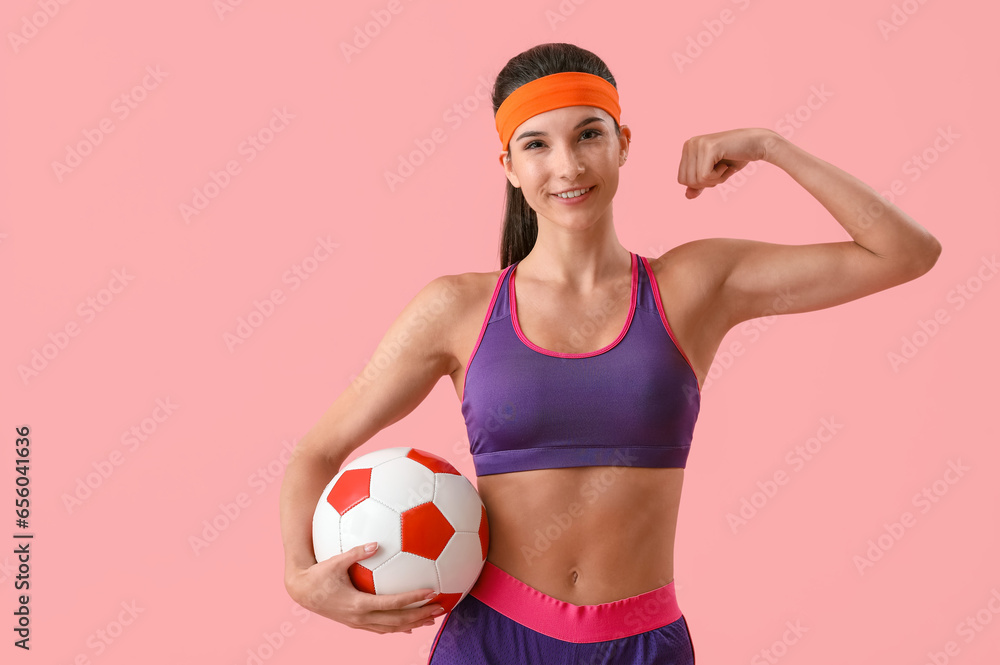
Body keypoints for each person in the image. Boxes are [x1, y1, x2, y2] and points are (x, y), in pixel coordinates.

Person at [280, 42, 941, 664]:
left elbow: (905, 252)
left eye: (589, 134)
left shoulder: (693, 286)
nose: (567, 166)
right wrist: (301, 579)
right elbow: (317, 450)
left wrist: (770, 145)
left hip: (642, 643)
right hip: (493, 640)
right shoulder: (457, 307)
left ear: (624, 144)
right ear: (509, 166)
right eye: (536, 144)